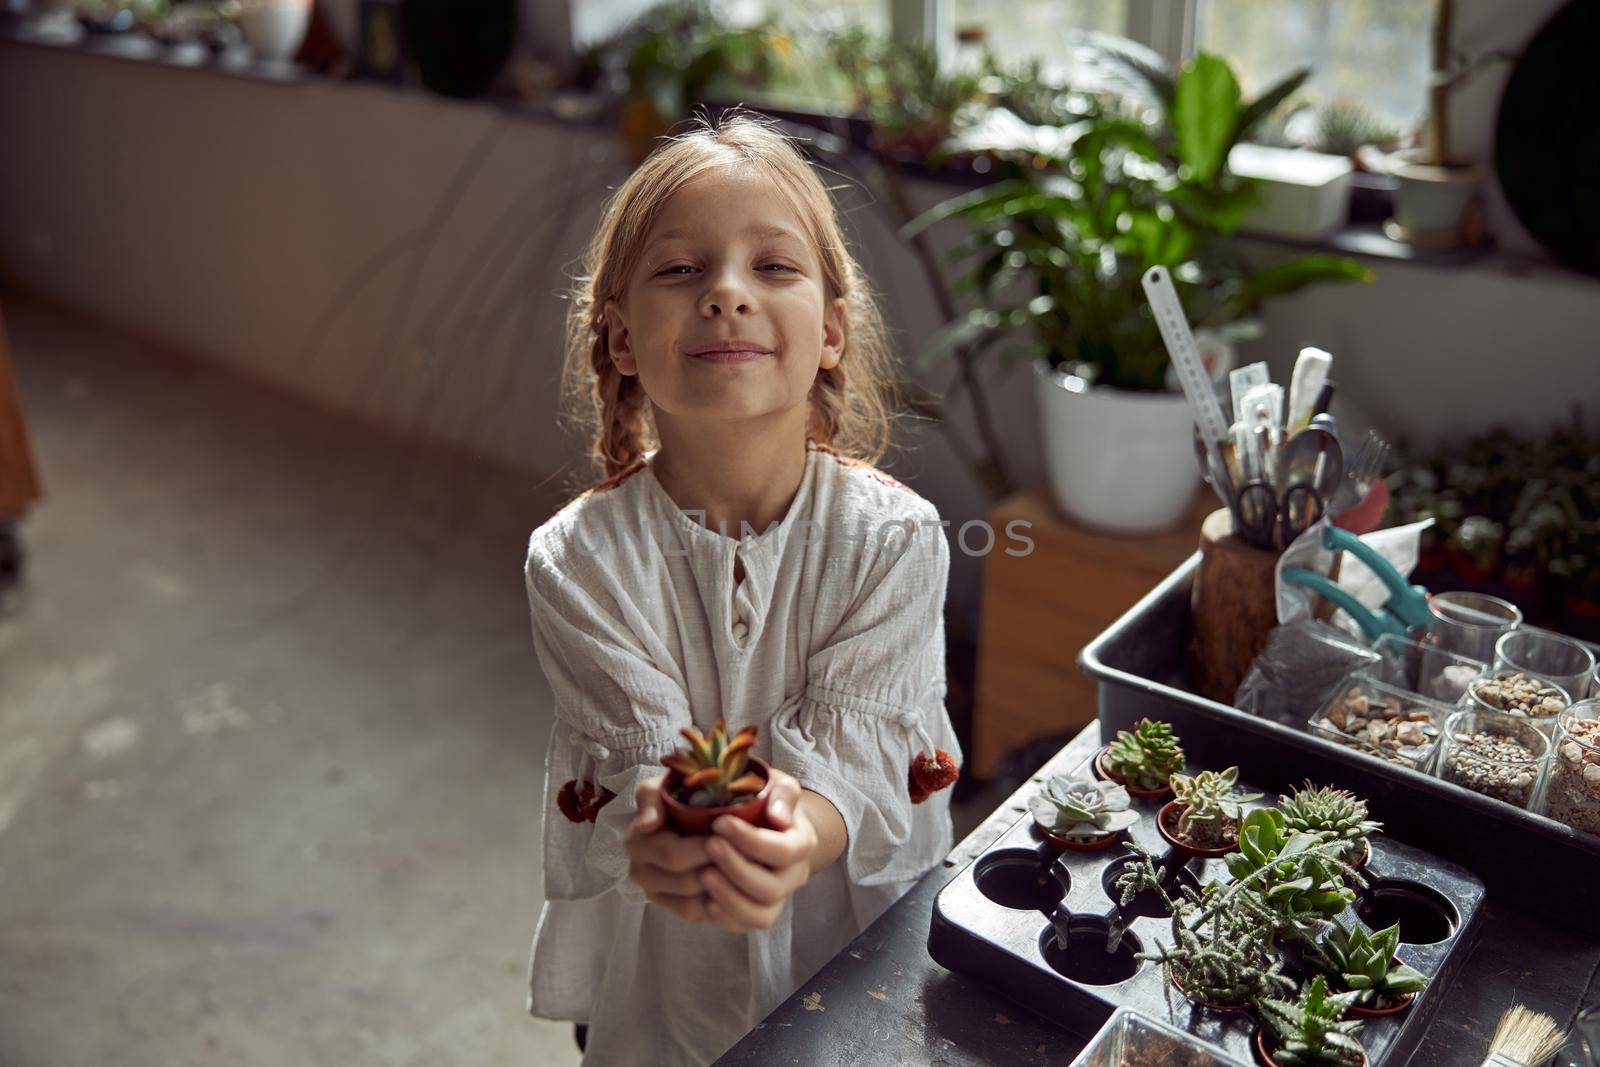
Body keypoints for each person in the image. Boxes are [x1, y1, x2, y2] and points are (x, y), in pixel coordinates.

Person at [522, 109, 961, 1066]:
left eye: (772, 267)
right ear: (623, 338)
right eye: (681, 270)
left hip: (849, 952)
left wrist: (790, 838)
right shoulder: (576, 561)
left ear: (833, 332)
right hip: (662, 975)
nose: (727, 294)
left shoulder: (895, 540)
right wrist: (665, 834)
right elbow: (645, 765)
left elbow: (862, 759)